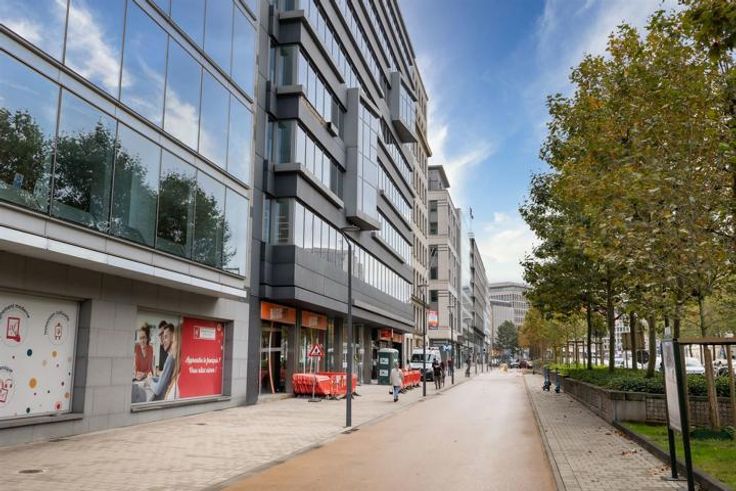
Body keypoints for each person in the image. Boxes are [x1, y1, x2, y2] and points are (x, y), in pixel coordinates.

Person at [148, 323, 177, 401]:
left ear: (173, 337)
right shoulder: (172, 357)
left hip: (162, 401)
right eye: (163, 338)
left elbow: (157, 390)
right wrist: (152, 378)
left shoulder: (170, 359)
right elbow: (163, 379)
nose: (163, 341)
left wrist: (149, 381)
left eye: (166, 337)